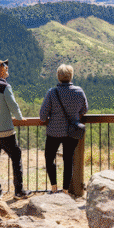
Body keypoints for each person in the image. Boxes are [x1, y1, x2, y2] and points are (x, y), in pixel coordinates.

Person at [39, 64, 88, 195]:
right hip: (71, 132)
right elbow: (84, 109)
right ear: (71, 76)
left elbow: (42, 116)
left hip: (53, 132)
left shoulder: (52, 93)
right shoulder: (79, 91)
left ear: (58, 76)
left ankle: (54, 188)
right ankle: (65, 190)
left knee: (49, 159)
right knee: (68, 160)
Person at [0, 58, 28, 198]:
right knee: (16, 156)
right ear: (1, 70)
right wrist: (20, 118)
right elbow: (13, 105)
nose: (7, 69)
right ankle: (19, 191)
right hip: (6, 130)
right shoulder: (5, 87)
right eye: (5, 67)